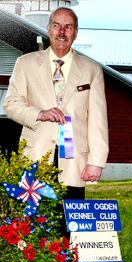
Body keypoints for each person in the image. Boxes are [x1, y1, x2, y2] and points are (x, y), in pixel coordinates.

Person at [3, 7, 109, 201]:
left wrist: (96, 161)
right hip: (35, 159)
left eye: (68, 27)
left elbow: (98, 121)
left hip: (74, 163)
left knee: (70, 228)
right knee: (33, 226)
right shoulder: (24, 63)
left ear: (75, 33)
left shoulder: (92, 70)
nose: (61, 32)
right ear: (48, 29)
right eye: (56, 26)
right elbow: (10, 104)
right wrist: (39, 113)